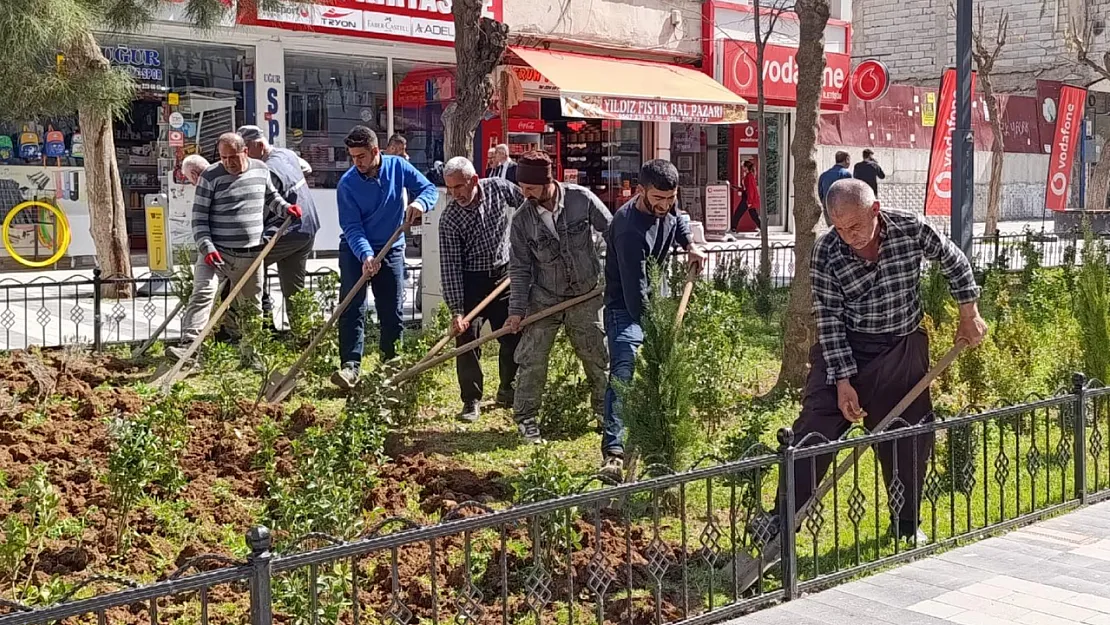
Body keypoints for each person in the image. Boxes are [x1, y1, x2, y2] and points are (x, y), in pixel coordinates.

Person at [770, 178, 987, 545]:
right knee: (812, 433)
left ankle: (906, 524)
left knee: (908, 436)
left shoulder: (910, 228)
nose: (847, 235)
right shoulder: (826, 253)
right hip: (846, 347)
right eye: (838, 227)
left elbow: (953, 259)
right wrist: (842, 381)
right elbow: (830, 320)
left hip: (901, 348)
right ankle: (781, 525)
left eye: (854, 225)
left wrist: (969, 312)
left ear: (875, 210)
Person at [601, 160, 708, 479]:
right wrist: (658, 335)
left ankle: (655, 443)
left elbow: (678, 222)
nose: (664, 205)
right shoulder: (628, 229)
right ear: (640, 191)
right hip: (625, 307)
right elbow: (636, 294)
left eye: (670, 198)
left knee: (661, 377)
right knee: (624, 373)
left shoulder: (669, 208)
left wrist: (690, 246)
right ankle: (614, 454)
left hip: (653, 299)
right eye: (657, 199)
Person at [507, 150, 611, 443]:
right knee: (532, 359)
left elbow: (612, 231)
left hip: (586, 293)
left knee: (596, 356)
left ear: (547, 181)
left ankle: (606, 413)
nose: (524, 193)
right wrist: (517, 311)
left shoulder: (581, 199)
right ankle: (527, 419)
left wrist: (614, 273)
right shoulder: (521, 220)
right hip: (545, 298)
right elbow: (520, 268)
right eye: (521, 187)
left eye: (530, 188)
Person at [170, 133, 302, 358]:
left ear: (245, 152)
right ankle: (188, 346)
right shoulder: (210, 177)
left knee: (252, 305)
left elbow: (271, 197)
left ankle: (251, 354)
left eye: (233, 157)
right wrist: (206, 247)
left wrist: (286, 208)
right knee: (203, 292)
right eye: (223, 158)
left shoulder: (261, 170)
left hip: (250, 254)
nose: (229, 163)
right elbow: (199, 217)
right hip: (215, 252)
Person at [333, 125, 437, 390]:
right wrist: (366, 255)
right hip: (356, 251)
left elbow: (429, 189)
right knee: (351, 307)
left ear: (376, 151)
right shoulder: (347, 184)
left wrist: (419, 203)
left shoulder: (397, 167)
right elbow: (352, 227)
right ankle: (350, 368)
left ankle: (390, 367)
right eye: (353, 157)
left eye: (361, 157)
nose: (356, 163)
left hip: (391, 248)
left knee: (391, 310)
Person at [440, 156, 525, 422]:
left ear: (474, 180)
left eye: (459, 187)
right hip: (470, 283)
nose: (455, 195)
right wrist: (456, 310)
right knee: (467, 340)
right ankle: (471, 400)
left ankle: (507, 388)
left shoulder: (499, 188)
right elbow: (450, 266)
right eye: (450, 189)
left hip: (503, 276)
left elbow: (526, 204)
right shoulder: (450, 219)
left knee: (513, 332)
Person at [237, 125, 321, 314]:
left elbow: (261, 209)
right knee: (294, 290)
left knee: (248, 263)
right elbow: (307, 168)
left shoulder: (267, 170)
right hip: (307, 228)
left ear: (258, 145)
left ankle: (262, 321)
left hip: (288, 229)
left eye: (245, 150)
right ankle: (301, 335)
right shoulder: (287, 154)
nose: (243, 156)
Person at [818, 151, 853, 226]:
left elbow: (820, 193)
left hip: (827, 207)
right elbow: (850, 193)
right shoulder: (846, 174)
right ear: (847, 159)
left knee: (831, 230)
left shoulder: (824, 175)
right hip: (842, 208)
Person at [732, 159, 761, 232]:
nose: (742, 167)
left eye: (743, 166)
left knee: (738, 212)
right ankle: (762, 228)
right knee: (753, 215)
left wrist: (749, 201)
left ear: (746, 167)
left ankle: (733, 228)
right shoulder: (749, 176)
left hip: (747, 198)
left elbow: (750, 189)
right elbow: (747, 188)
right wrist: (738, 189)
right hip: (747, 197)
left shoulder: (749, 176)